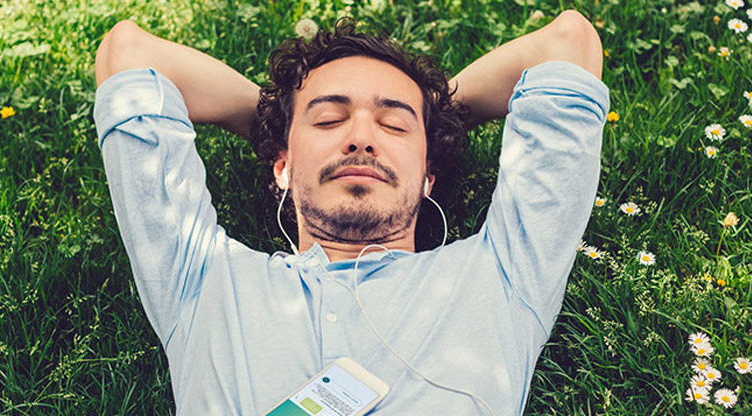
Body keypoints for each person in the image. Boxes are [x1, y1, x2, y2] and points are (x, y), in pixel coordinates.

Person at [93, 10, 607, 415]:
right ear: (282, 169)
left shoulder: (503, 275)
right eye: (330, 119)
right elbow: (130, 55)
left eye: (394, 126)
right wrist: (278, 124)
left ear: (428, 177)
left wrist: (435, 114)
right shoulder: (203, 280)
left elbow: (568, 45)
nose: (360, 138)